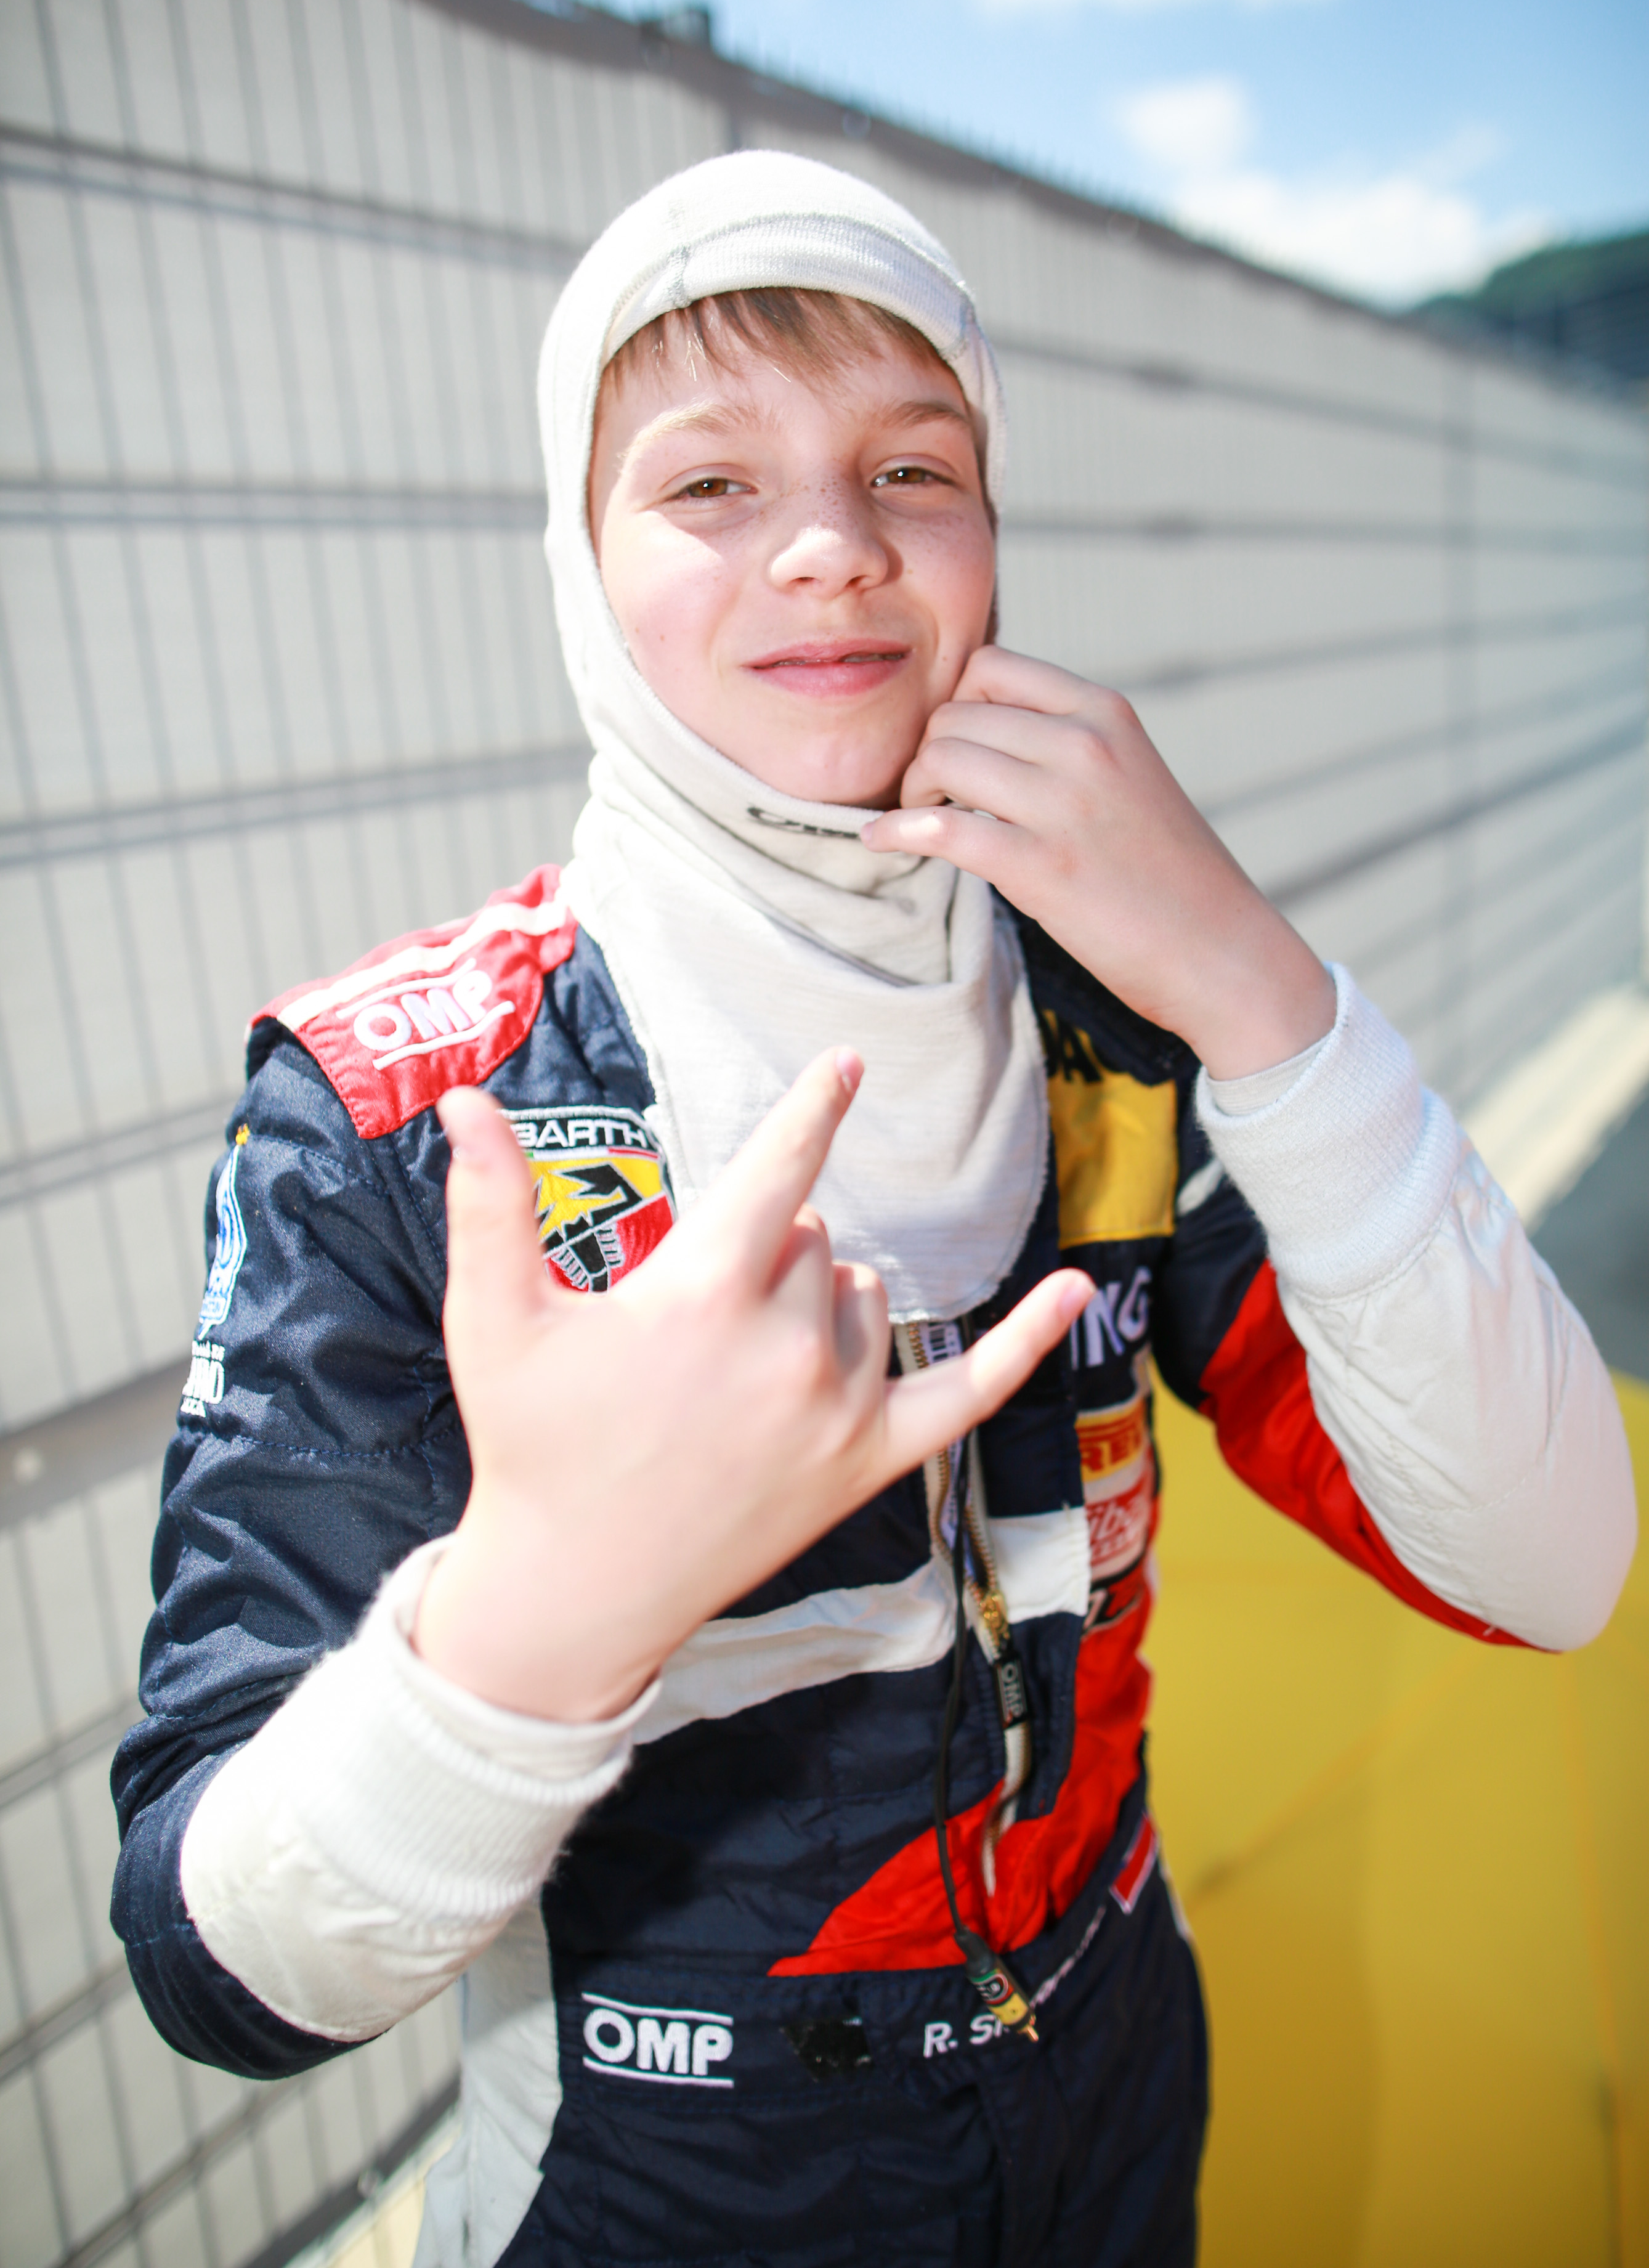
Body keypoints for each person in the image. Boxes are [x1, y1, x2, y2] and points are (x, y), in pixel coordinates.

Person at [112, 153, 1635, 2268]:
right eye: (709, 483)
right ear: (578, 558)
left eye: (914, 467)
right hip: (658, 2190)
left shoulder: (1114, 1010)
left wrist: (1271, 995)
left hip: (1119, 2085)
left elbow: (1547, 1562)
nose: (832, 545)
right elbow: (218, 1972)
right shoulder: (403, 1115)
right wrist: (550, 1603)